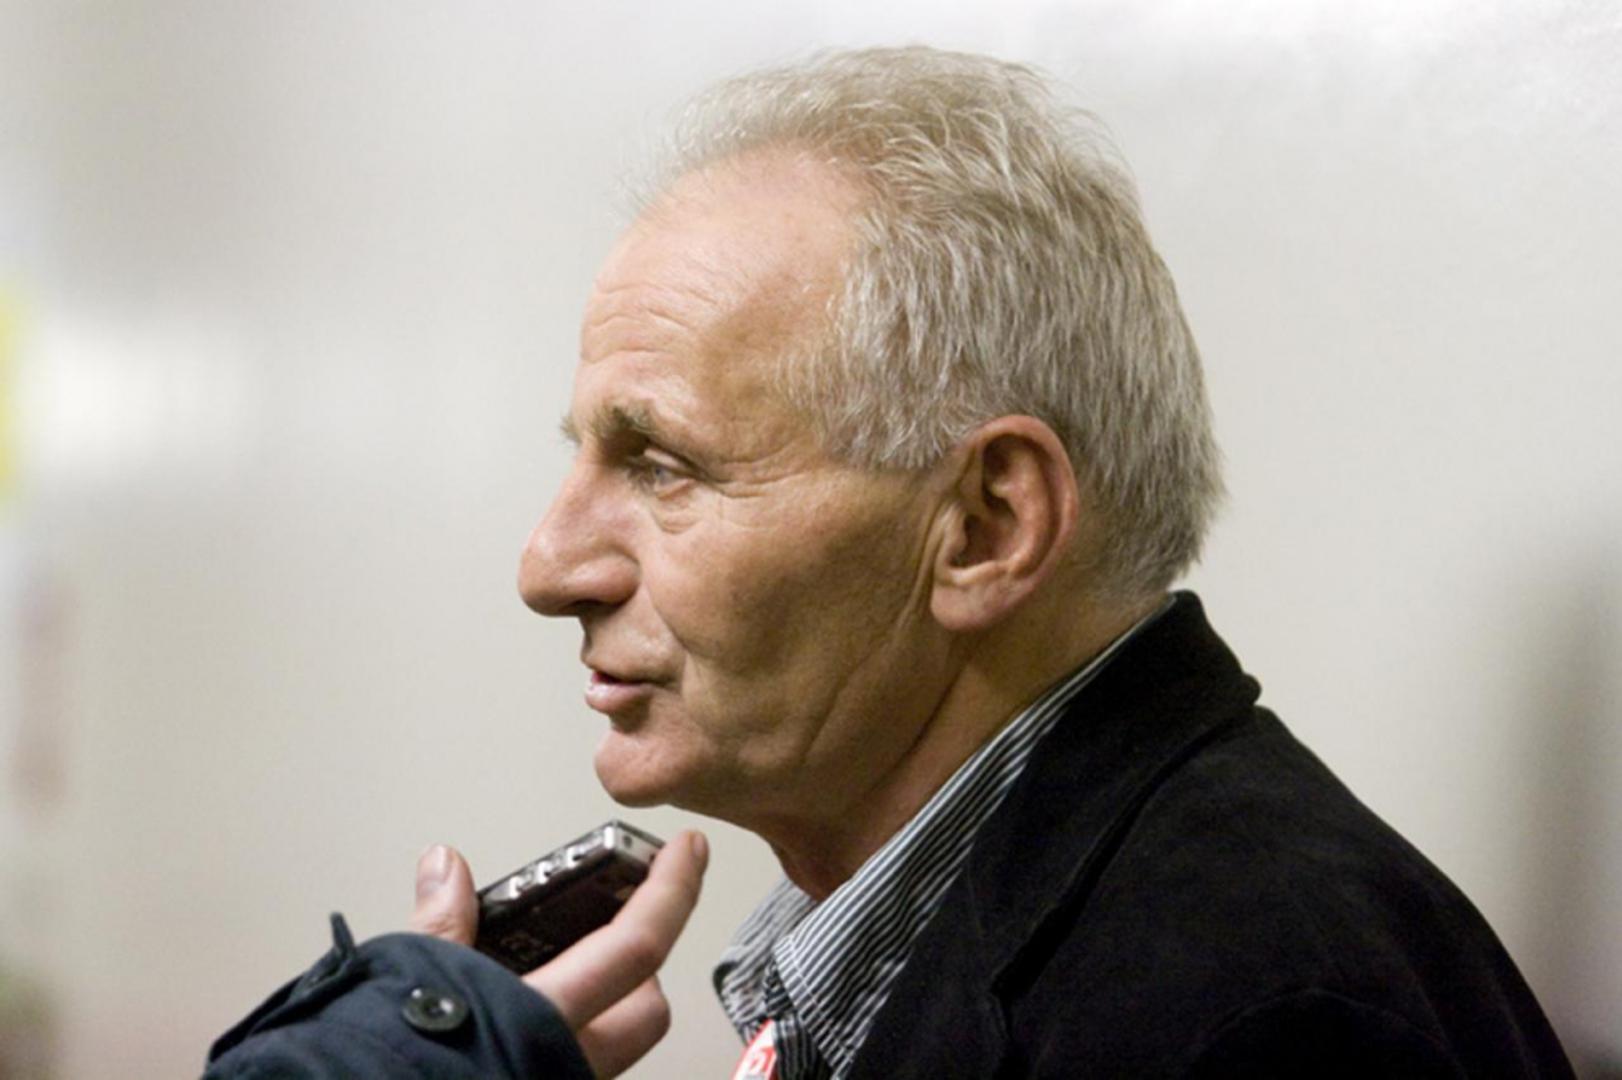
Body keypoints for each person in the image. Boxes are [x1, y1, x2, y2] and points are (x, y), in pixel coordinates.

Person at [206, 47, 1573, 1078]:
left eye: (661, 463)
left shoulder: (1255, 1020)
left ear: (984, 527)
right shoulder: (946, 948)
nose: (548, 565)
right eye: (584, 457)